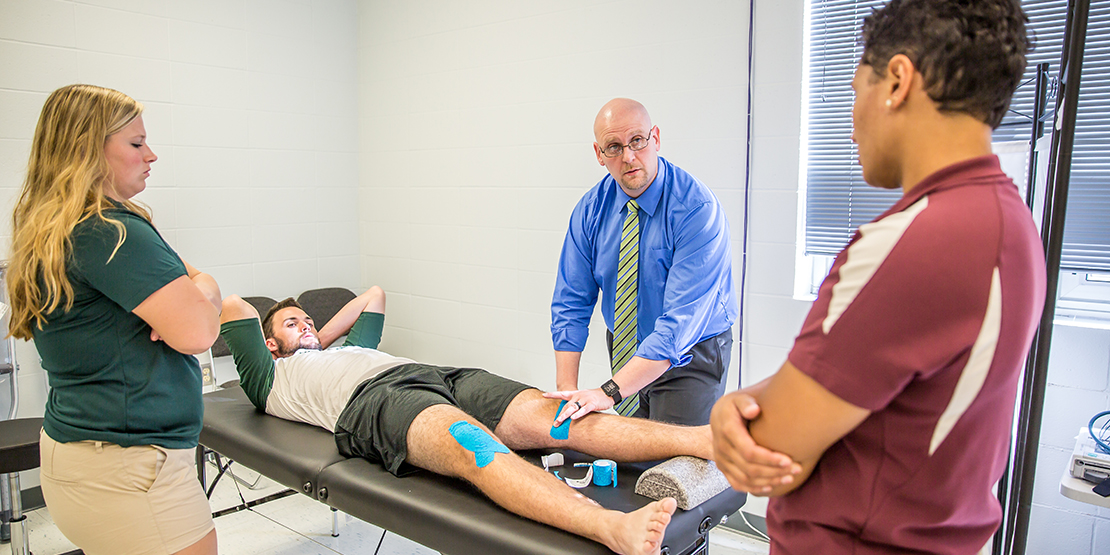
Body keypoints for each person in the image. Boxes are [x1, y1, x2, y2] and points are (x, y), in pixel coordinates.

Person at [710, 1, 1043, 554]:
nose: (850, 120)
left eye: (855, 88)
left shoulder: (915, 243)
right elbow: (875, 387)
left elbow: (768, 455)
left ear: (896, 80)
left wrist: (734, 412)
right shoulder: (1009, 224)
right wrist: (751, 402)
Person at [219, 289, 718, 555]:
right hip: (373, 401)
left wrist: (317, 335)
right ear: (268, 345)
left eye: (307, 319)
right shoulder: (271, 377)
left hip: (434, 373)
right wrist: (300, 344)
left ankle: (706, 440)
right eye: (292, 323)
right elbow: (232, 305)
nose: (305, 324)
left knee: (560, 416)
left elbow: (374, 296)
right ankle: (611, 527)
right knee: (474, 446)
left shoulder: (348, 347)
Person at [6, 85, 222, 555]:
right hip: (132, 473)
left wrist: (194, 294)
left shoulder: (56, 228)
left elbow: (190, 296)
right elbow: (201, 330)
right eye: (136, 143)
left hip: (78, 459)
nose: (152, 155)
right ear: (88, 148)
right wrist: (205, 291)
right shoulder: (113, 231)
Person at [549, 98, 737, 427]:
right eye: (614, 146)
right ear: (599, 154)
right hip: (625, 344)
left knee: (673, 466)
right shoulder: (591, 210)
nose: (628, 156)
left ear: (656, 139)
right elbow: (571, 301)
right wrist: (566, 390)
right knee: (631, 458)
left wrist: (607, 392)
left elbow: (679, 326)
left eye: (637, 140)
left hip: (690, 353)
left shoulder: (696, 210)